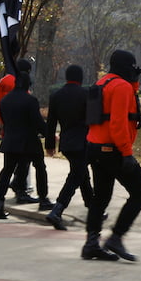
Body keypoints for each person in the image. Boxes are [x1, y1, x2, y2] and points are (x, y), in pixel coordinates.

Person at [82, 50, 141, 262]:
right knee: (140, 194)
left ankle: (91, 244)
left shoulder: (102, 82)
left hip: (94, 147)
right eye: (132, 67)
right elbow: (118, 123)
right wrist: (127, 153)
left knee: (100, 198)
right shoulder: (121, 87)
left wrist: (135, 84)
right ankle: (116, 238)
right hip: (113, 149)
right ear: (126, 66)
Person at [0, 65, 48, 220]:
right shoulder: (30, 100)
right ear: (28, 84)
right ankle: (43, 199)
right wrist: (49, 134)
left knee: (7, 170)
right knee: (40, 167)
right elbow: (37, 122)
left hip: (10, 139)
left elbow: (3, 118)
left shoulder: (5, 100)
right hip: (29, 140)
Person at [44, 64, 93, 231]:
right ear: (81, 78)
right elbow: (93, 120)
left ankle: (93, 209)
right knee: (76, 176)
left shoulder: (56, 95)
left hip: (66, 142)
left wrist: (50, 145)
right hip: (85, 141)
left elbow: (51, 123)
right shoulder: (87, 94)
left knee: (81, 174)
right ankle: (57, 210)